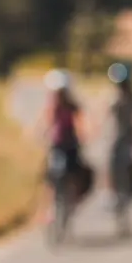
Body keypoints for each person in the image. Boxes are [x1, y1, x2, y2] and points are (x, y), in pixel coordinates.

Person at [37, 69, 93, 223]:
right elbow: (45, 122)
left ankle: (73, 199)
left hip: (71, 145)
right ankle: (49, 209)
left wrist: (85, 133)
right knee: (50, 176)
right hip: (57, 146)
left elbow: (81, 121)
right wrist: (40, 133)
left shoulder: (73, 106)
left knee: (79, 173)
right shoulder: (52, 107)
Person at [106, 61, 132, 205]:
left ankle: (131, 188)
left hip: (127, 136)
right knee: (112, 164)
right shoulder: (114, 96)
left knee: (128, 161)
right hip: (116, 136)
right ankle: (112, 192)